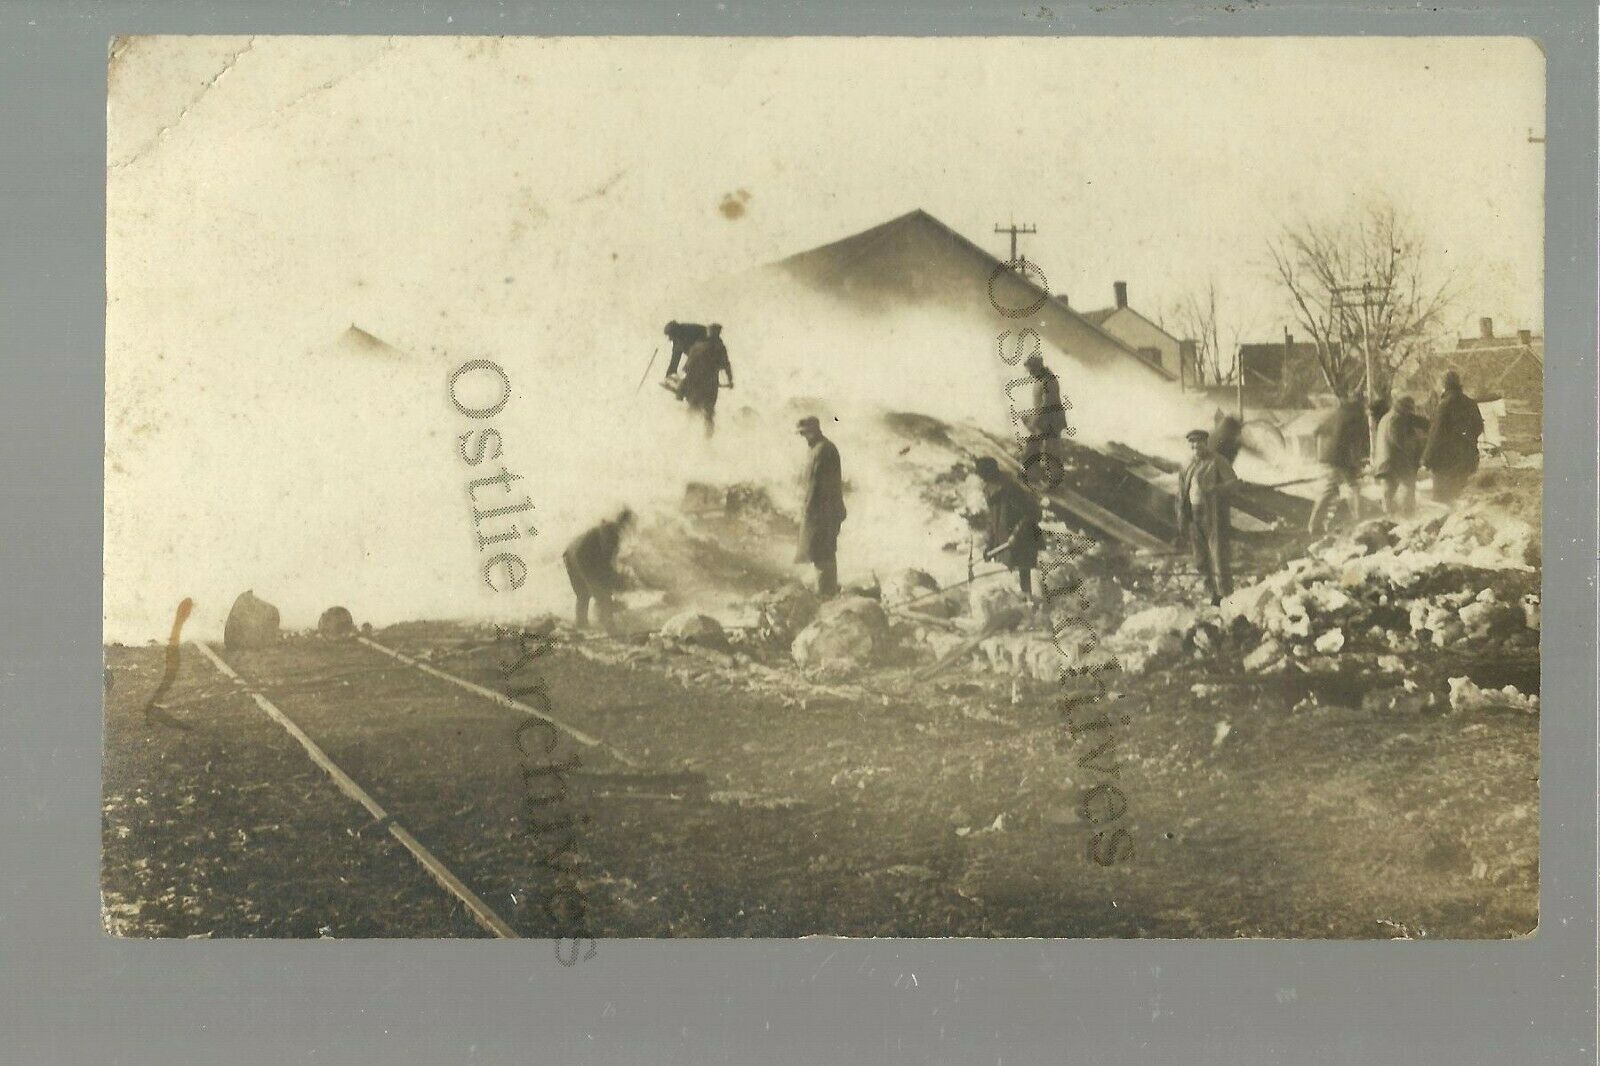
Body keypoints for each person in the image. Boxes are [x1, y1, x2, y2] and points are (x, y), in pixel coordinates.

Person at [1175, 428, 1238, 606]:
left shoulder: (1217, 461)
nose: (1196, 446)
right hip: (1194, 515)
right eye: (1192, 444)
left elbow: (1233, 483)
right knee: (1200, 559)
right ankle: (1212, 595)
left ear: (1206, 443)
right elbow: (1181, 494)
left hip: (1214, 515)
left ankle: (1227, 596)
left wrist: (1214, 490)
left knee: (1218, 556)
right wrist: (1181, 518)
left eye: (1199, 443)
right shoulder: (1187, 465)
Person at [975, 456, 1044, 599]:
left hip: (1024, 536)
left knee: (1024, 571)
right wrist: (989, 544)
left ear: (992, 472)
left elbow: (1031, 513)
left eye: (984, 475)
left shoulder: (1012, 488)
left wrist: (1016, 534)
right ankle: (1022, 600)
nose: (982, 479)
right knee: (1013, 572)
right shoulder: (989, 489)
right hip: (1006, 538)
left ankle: (1029, 601)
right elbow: (993, 519)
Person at [793, 417, 847, 597]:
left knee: (822, 553)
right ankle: (827, 591)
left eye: (804, 433)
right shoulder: (821, 448)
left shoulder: (822, 450)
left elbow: (816, 484)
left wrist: (808, 510)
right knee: (823, 552)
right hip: (826, 511)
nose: (803, 437)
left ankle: (826, 594)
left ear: (814, 430)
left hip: (823, 512)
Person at [562, 508, 635, 633]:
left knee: (589, 593)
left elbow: (607, 562)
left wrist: (612, 578)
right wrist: (605, 585)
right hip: (577, 556)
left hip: (576, 554)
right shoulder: (609, 531)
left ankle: (586, 623)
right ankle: (608, 627)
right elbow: (601, 562)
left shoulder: (611, 530)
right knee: (594, 593)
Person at [1306, 397, 1370, 535]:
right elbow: (1355, 441)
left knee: (1331, 489)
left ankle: (1315, 524)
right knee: (1353, 487)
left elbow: (1316, 432)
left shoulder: (1334, 415)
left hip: (1327, 458)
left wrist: (1321, 451)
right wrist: (1356, 461)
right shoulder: (1356, 418)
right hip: (1341, 458)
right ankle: (1359, 520)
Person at [1421, 370, 1485, 504]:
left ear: (1444, 385)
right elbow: (1479, 426)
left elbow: (1436, 434)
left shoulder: (1444, 405)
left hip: (1445, 463)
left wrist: (1426, 459)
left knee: (1442, 502)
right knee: (1460, 500)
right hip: (1467, 459)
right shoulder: (1471, 403)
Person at [1371, 395, 1429, 517]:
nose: (1410, 412)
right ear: (1404, 408)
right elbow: (1399, 441)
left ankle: (1390, 518)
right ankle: (1407, 516)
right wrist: (1418, 441)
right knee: (1408, 486)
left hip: (1384, 462)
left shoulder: (1387, 417)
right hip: (1395, 461)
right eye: (1409, 409)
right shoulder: (1396, 419)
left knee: (1389, 493)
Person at [674, 323, 733, 437]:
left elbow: (687, 368)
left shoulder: (697, 346)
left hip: (694, 384)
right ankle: (707, 439)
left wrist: (683, 385)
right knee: (708, 413)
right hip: (710, 386)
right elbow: (726, 365)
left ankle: (686, 435)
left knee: (692, 409)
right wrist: (730, 381)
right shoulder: (720, 347)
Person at [1018, 353, 1067, 477]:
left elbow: (1047, 404)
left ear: (1038, 368)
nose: (1030, 374)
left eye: (1031, 371)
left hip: (1051, 421)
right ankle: (1032, 471)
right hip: (1044, 420)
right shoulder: (1041, 378)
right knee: (1034, 445)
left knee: (1051, 450)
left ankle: (1053, 477)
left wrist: (1033, 419)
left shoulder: (1048, 381)